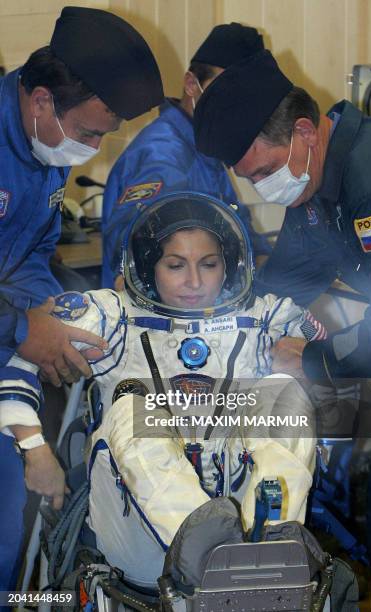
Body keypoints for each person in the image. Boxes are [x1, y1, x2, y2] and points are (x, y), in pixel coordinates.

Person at [2, 192, 329, 588]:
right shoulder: (111, 316)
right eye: (175, 265)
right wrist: (35, 450)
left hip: (246, 521)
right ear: (148, 266)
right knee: (132, 407)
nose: (194, 282)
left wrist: (307, 364)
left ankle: (275, 546)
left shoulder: (265, 317)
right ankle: (212, 558)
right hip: (137, 535)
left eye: (208, 265)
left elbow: (330, 364)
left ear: (229, 266)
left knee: (284, 394)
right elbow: (19, 363)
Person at [193, 48, 371, 608]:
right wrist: (219, 331)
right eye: (250, 178)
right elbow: (285, 281)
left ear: (305, 132)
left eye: (265, 173)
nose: (265, 188)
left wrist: (315, 360)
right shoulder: (315, 182)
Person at [0, 5, 163, 593]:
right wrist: (23, 328)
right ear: (42, 100)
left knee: (12, 527)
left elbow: (30, 257)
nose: (92, 149)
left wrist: (56, 319)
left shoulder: (42, 148)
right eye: (90, 132)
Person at [102, 22, 270, 289]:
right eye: (227, 91)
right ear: (192, 84)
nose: (238, 107)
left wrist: (265, 259)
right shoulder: (164, 155)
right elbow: (132, 247)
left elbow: (237, 228)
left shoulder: (206, 150)